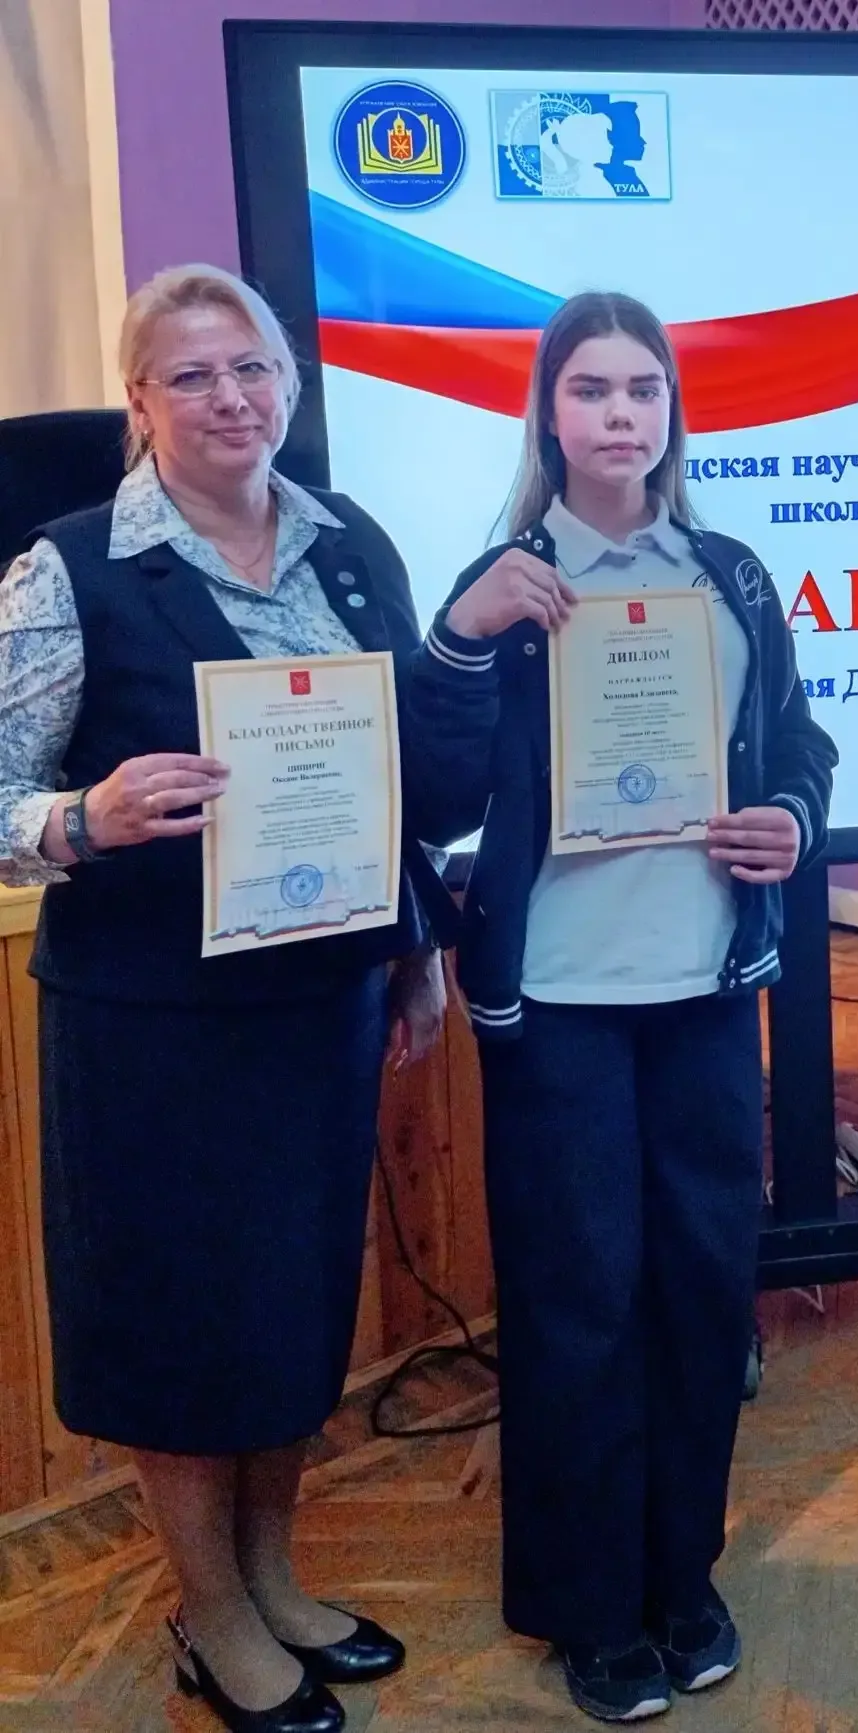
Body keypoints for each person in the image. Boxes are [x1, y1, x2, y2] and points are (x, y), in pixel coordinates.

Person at [0, 265, 456, 1733]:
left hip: (318, 1003)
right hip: (152, 1023)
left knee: (288, 1307)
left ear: (289, 385)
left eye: (251, 367)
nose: (230, 398)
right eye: (190, 375)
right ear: (139, 402)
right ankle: (208, 1614)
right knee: (180, 1322)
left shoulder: (349, 546)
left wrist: (417, 940)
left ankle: (271, 1578)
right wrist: (84, 819)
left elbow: (389, 773)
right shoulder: (67, 570)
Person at [404, 292, 837, 1724]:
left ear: (670, 411)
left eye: (642, 389)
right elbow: (436, 797)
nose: (619, 415)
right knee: (579, 1304)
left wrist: (790, 817)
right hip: (559, 1005)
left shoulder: (732, 575)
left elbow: (799, 743)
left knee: (703, 1295)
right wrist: (457, 642)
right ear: (547, 413)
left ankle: (681, 1577)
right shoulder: (505, 590)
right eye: (590, 389)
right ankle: (589, 1606)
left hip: (704, 991)